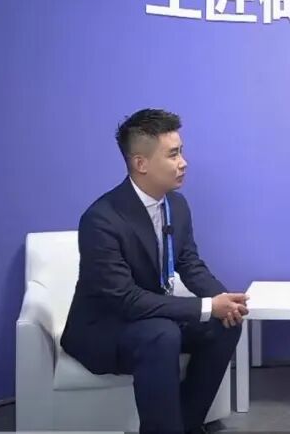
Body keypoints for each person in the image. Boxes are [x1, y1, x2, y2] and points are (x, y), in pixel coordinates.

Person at [61, 108, 249, 434]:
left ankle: (186, 425)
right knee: (162, 334)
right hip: (106, 328)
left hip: (154, 317)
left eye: (181, 152)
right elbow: (126, 299)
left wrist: (223, 301)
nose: (184, 162)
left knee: (225, 325)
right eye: (173, 154)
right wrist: (207, 306)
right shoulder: (102, 219)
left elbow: (189, 264)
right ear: (141, 163)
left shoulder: (176, 205)